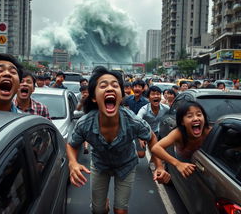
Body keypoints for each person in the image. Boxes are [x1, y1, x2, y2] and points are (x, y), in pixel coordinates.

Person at [66, 66, 170, 214]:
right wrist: (73, 163)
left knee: (120, 211)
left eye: (115, 85)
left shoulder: (133, 121)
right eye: (103, 86)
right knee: (98, 210)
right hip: (99, 165)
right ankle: (103, 204)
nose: (110, 88)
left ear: (121, 96)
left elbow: (152, 137)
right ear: (95, 97)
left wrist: (159, 166)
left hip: (126, 165)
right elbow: (71, 145)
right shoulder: (85, 123)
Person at [152, 101, 212, 178]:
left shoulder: (209, 131)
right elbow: (156, 148)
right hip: (182, 161)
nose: (196, 118)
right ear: (182, 122)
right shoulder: (178, 133)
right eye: (190, 116)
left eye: (199, 115)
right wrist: (178, 164)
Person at [137, 86, 170, 171]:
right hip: (143, 132)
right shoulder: (144, 109)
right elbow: (137, 122)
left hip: (157, 133)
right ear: (148, 98)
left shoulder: (166, 108)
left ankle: (153, 161)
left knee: (156, 149)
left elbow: (172, 117)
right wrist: (140, 138)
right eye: (153, 94)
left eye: (158, 94)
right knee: (141, 155)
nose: (156, 96)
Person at [124, 79, 149, 158]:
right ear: (132, 88)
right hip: (128, 127)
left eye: (139, 86)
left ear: (142, 89)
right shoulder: (128, 99)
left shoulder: (146, 102)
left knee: (141, 155)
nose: (137, 88)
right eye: (135, 86)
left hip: (140, 128)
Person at [76, 84, 90, 154]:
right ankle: (85, 147)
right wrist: (82, 101)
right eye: (83, 92)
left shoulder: (93, 97)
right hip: (83, 116)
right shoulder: (79, 97)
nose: (85, 94)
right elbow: (78, 109)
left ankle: (86, 146)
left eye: (86, 92)